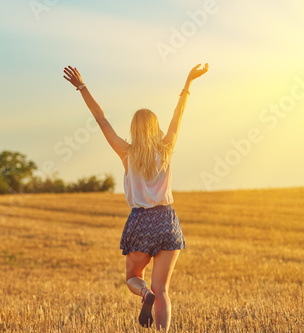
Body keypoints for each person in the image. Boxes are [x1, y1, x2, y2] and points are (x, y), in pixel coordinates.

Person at [63, 63, 209, 331]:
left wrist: (82, 87)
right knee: (163, 288)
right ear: (155, 128)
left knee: (133, 276)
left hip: (141, 221)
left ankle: (143, 294)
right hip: (167, 221)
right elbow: (180, 113)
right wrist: (189, 81)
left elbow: (101, 119)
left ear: (134, 129)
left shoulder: (126, 152)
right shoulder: (166, 149)